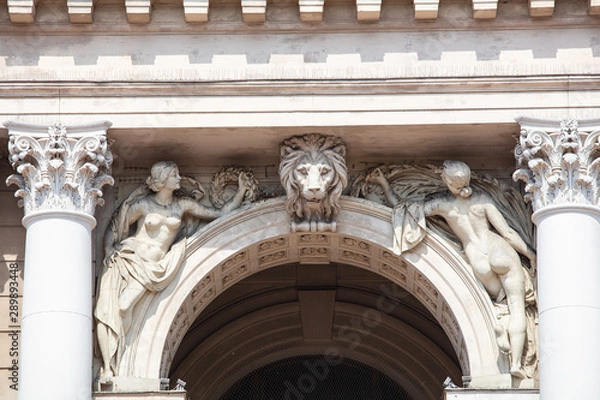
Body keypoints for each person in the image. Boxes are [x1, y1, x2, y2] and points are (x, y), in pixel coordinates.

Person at [368, 161, 536, 379]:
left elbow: (405, 208)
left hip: (478, 260)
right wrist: (531, 255)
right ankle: (515, 363)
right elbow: (508, 234)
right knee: (515, 306)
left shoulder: (443, 204)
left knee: (501, 303)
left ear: (446, 181)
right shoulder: (483, 201)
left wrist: (383, 184)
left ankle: (500, 330)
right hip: (498, 250)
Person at [95, 161, 252, 384]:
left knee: (123, 306)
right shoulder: (143, 205)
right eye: (174, 174)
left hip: (158, 265)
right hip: (133, 259)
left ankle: (116, 357)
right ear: (162, 180)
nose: (179, 177)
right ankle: (112, 363)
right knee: (117, 308)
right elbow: (116, 226)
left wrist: (242, 192)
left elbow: (219, 213)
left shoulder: (182, 205)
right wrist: (109, 249)